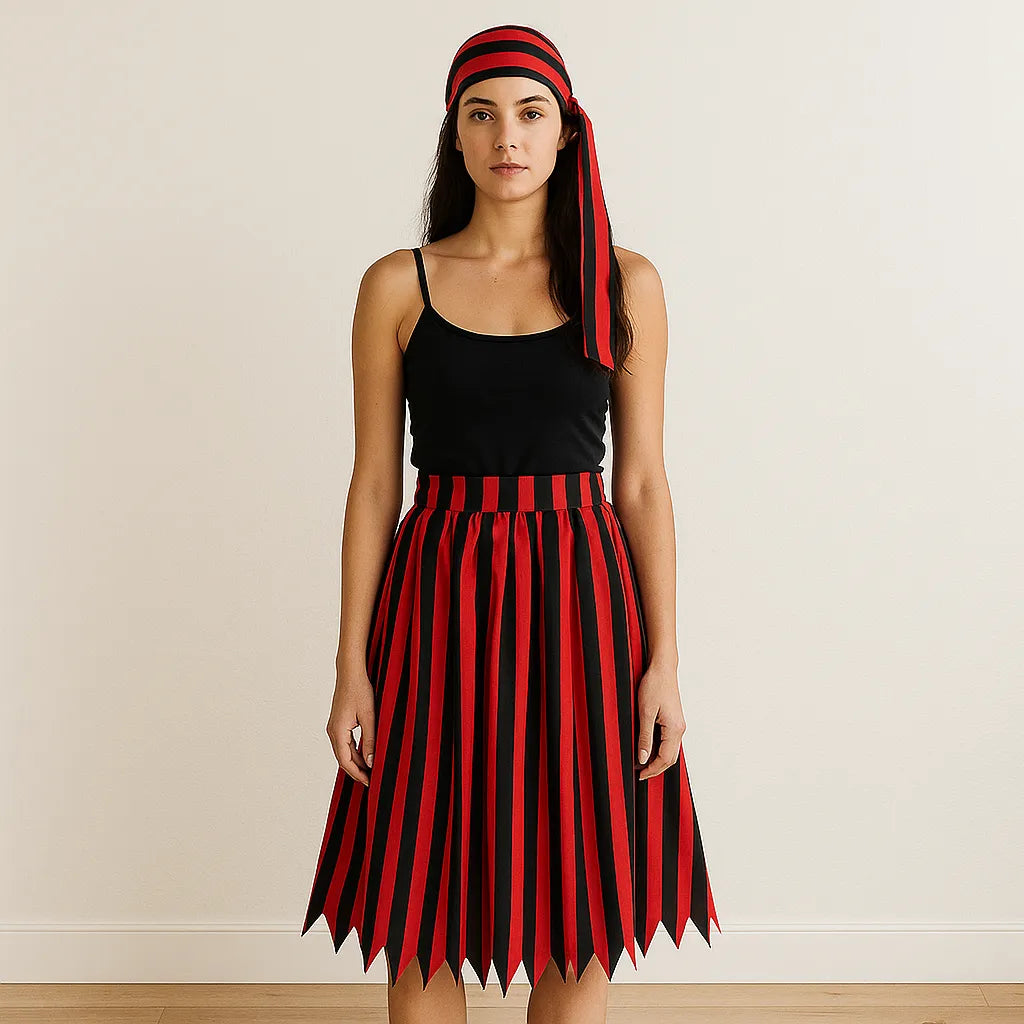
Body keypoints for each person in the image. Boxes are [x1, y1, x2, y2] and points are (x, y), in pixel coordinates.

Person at [301, 23, 719, 1022]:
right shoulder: (396, 285)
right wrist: (351, 664)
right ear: (455, 134)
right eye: (481, 115)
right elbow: (373, 487)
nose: (507, 137)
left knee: (583, 895)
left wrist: (663, 660)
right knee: (420, 894)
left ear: (566, 132)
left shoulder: (625, 282)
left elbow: (643, 485)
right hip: (436, 598)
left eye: (530, 114)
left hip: (583, 603)